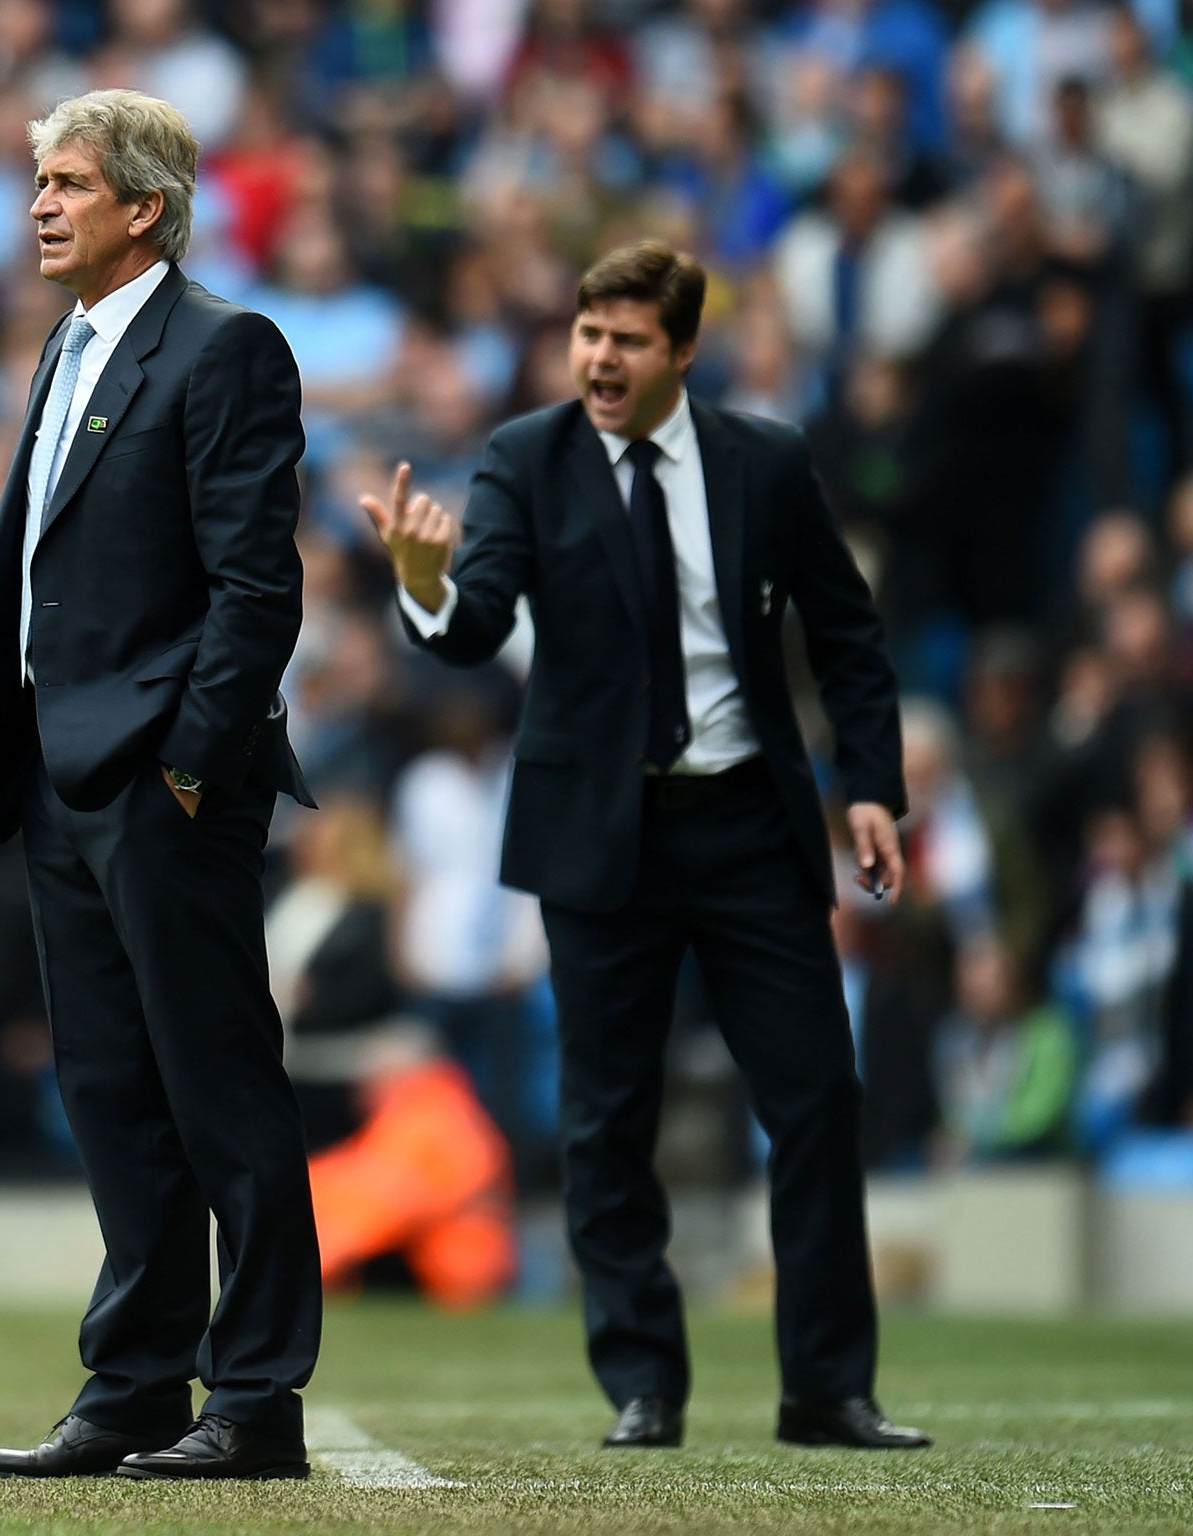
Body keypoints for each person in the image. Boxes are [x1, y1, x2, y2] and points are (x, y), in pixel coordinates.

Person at [362, 240, 930, 1451]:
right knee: (602, 1119)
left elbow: (846, 635)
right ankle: (642, 1383)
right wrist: (424, 584)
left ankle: (826, 1389)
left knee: (817, 1098)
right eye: (587, 335)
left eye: (625, 340)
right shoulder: (525, 457)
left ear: (680, 350)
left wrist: (871, 786)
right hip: (597, 834)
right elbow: (476, 630)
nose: (599, 359)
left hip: (745, 824)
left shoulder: (765, 463)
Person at [0, 89, 321, 1482]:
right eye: (36, 182)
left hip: (162, 780)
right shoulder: (69, 344)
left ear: (144, 208)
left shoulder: (227, 349)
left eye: (66, 184)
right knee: (112, 1087)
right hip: (59, 772)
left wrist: (189, 764)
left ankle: (261, 1397)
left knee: (220, 1085)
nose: (39, 205)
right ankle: (136, 1383)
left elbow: (254, 586)